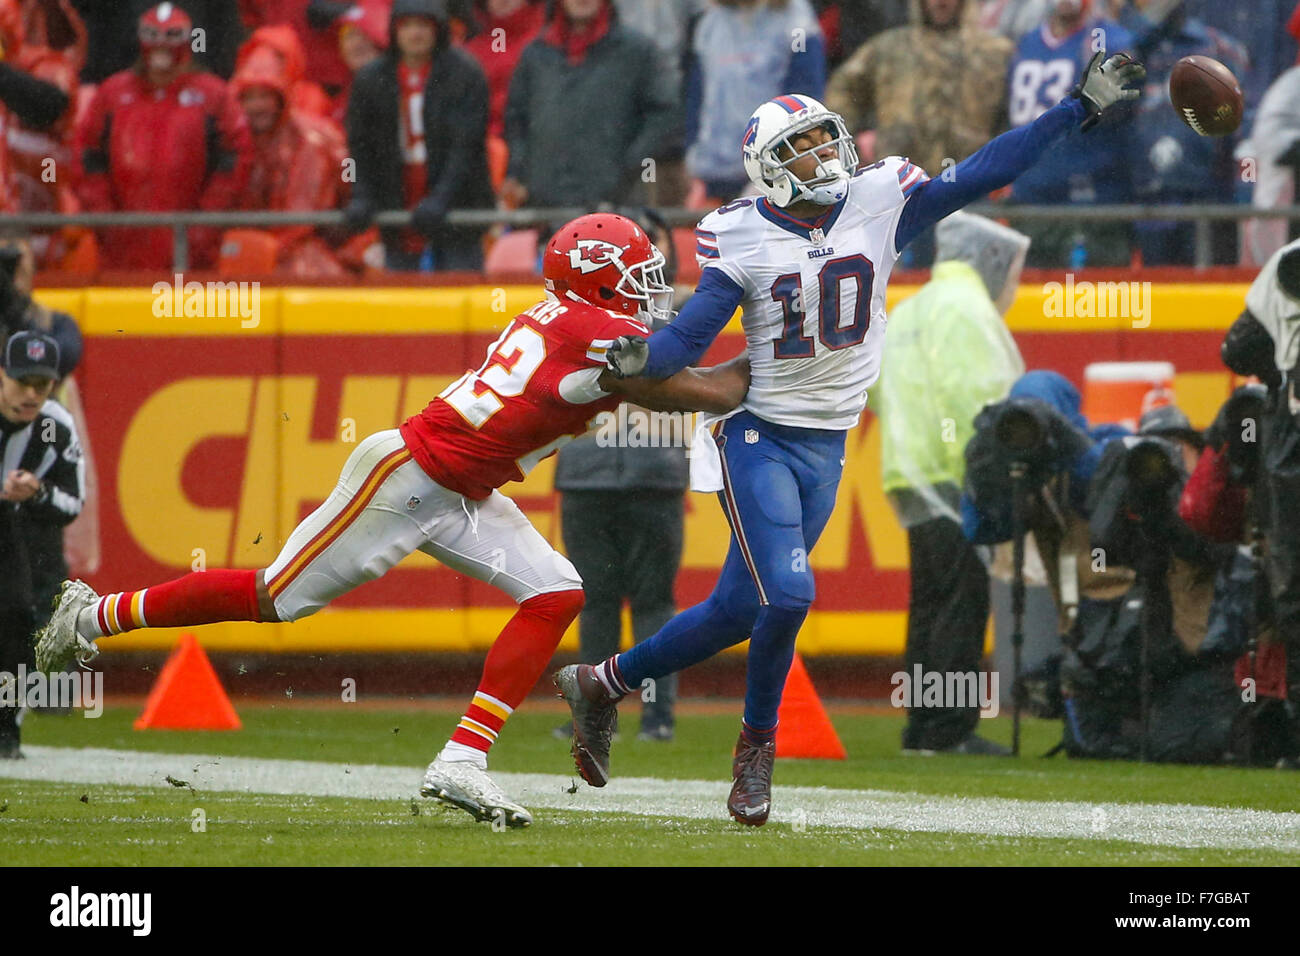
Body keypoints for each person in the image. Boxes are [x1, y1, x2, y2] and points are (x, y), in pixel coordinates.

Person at [554, 51, 1144, 826]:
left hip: (827, 443)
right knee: (790, 594)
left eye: (826, 139)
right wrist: (641, 356)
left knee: (739, 608)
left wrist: (1077, 109)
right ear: (769, 169)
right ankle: (755, 753)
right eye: (802, 148)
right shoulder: (740, 237)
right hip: (758, 434)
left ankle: (604, 680)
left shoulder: (878, 200)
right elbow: (689, 343)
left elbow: (983, 173)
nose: (826, 155)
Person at [35, 213, 750, 826]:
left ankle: (461, 760)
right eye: (636, 273)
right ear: (597, 278)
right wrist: (768, 362)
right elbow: (687, 389)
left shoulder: (576, 319)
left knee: (558, 591)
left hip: (464, 490)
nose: (648, 286)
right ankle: (94, 617)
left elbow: (662, 380)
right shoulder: (596, 331)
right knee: (275, 597)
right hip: (408, 478)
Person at [872, 212, 1027, 756]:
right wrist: (995, 473)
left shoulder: (909, 310)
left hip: (910, 473)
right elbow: (979, 399)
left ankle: (922, 725)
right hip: (958, 474)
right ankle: (949, 729)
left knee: (930, 602)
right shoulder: (970, 313)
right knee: (963, 602)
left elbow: (877, 392)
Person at [552, 209, 687, 742]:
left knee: (621, 599)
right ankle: (637, 716)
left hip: (610, 470)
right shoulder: (675, 315)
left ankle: (626, 714)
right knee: (626, 600)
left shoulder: (568, 313)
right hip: (637, 469)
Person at [73, 2, 252, 271]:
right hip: (122, 246)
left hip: (193, 250)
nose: (161, 48)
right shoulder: (112, 94)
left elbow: (235, 161)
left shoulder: (213, 96)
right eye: (153, 37)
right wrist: (105, 219)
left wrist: (205, 226)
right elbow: (87, 156)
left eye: (170, 38)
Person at [343, 0, 495, 271]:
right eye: (407, 25)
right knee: (403, 298)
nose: (415, 34)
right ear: (394, 31)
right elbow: (358, 150)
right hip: (396, 205)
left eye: (423, 25)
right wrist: (360, 194)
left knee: (458, 289)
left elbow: (467, 146)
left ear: (438, 30)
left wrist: (442, 198)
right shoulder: (370, 80)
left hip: (458, 211)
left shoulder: (465, 74)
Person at [501, 0, 681, 211]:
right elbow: (515, 119)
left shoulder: (637, 52)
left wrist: (630, 162)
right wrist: (522, 170)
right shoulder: (535, 53)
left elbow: (665, 113)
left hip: (618, 202)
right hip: (545, 203)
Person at [0, 330, 84, 758]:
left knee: (15, 618)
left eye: (42, 384)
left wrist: (37, 493)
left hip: (14, 528)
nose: (32, 394)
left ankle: (6, 731)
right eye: (22, 381)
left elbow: (74, 501)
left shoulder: (55, 426)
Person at [1004, 0, 1135, 267]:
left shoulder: (1112, 41)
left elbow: (1119, 112)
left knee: (1094, 303)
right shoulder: (1026, 43)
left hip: (1091, 204)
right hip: (1030, 199)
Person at [686, 0, 827, 204]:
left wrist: (781, 165)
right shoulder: (710, 24)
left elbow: (804, 103)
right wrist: (695, 163)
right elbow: (696, 98)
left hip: (774, 172)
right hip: (715, 175)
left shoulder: (797, 22)